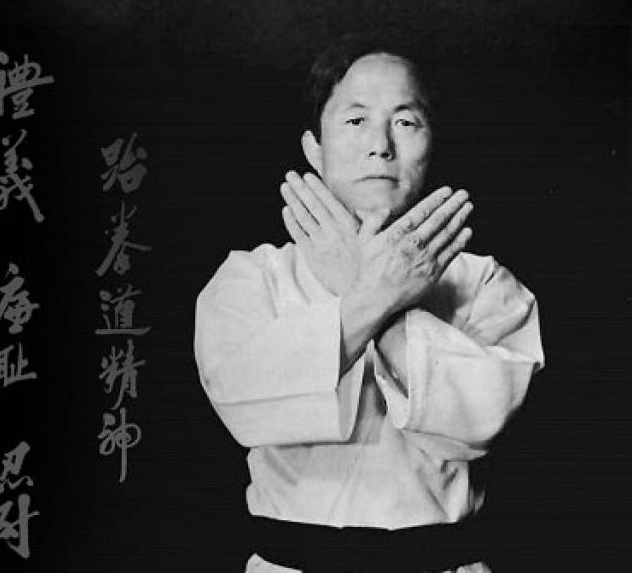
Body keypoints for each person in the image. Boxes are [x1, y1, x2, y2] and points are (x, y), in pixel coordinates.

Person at [193, 35, 544, 573]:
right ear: (314, 148)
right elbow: (242, 401)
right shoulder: (252, 276)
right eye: (355, 120)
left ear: (432, 141)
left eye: (405, 121)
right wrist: (374, 291)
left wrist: (365, 293)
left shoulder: (481, 280)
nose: (380, 145)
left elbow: (487, 417)